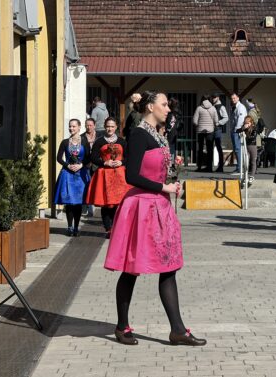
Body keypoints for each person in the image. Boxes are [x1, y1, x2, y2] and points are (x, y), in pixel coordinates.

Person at [104, 91, 206, 347]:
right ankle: (122, 326)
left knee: (169, 266)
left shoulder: (158, 135)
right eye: (164, 104)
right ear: (150, 107)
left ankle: (177, 330)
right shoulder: (139, 134)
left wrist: (170, 183)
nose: (168, 109)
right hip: (141, 207)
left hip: (159, 206)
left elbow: (156, 169)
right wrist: (164, 187)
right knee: (132, 269)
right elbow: (131, 176)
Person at [86, 117, 130, 238]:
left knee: (118, 203)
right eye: (108, 126)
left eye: (112, 126)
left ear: (116, 127)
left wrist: (121, 162)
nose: (109, 129)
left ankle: (116, 227)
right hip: (104, 175)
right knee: (106, 203)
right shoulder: (99, 142)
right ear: (105, 127)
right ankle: (108, 228)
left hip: (120, 175)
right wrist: (104, 162)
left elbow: (129, 157)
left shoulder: (122, 141)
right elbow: (93, 157)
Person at [54, 119, 90, 237]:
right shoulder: (65, 142)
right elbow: (59, 158)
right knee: (69, 202)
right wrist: (67, 165)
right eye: (70, 126)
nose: (71, 128)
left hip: (80, 175)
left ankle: (76, 228)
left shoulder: (84, 141)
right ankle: (69, 227)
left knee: (78, 203)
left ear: (79, 127)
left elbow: (88, 158)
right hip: (68, 174)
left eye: (74, 126)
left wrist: (81, 165)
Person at [81, 118, 103, 217]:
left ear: (94, 125)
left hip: (97, 165)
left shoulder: (100, 136)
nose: (89, 127)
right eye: (87, 125)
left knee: (95, 186)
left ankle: (94, 205)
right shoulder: (81, 137)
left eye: (90, 125)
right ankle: (86, 207)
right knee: (86, 185)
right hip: (85, 165)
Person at [193, 94, 218, 172]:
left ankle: (199, 167)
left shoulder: (199, 108)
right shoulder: (213, 108)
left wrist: (198, 125)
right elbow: (216, 121)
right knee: (209, 149)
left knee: (200, 149)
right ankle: (209, 167)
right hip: (210, 131)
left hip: (200, 131)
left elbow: (194, 121)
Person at [230, 93, 248, 174]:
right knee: (236, 150)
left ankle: (240, 169)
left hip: (237, 131)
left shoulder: (241, 107)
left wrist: (237, 130)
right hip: (234, 130)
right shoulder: (234, 107)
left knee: (238, 149)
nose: (233, 100)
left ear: (238, 98)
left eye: (234, 98)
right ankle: (238, 167)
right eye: (232, 98)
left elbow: (241, 119)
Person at [211, 93, 229, 173]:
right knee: (210, 147)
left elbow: (226, 118)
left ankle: (220, 166)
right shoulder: (212, 106)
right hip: (211, 129)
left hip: (217, 129)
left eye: (214, 97)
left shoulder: (221, 107)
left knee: (218, 147)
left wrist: (218, 123)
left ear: (218, 98)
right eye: (212, 97)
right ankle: (210, 166)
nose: (213, 98)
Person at [165, 97, 183, 166]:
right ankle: (173, 164)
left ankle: (170, 163)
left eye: (169, 101)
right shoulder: (178, 111)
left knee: (169, 147)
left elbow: (168, 122)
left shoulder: (170, 112)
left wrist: (167, 129)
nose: (168, 102)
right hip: (175, 131)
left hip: (170, 131)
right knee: (172, 147)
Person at [241, 116, 257, 185]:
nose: (247, 124)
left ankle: (252, 176)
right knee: (245, 162)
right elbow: (237, 131)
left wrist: (246, 136)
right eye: (245, 123)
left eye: (248, 123)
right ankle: (245, 177)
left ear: (251, 123)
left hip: (253, 146)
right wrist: (243, 128)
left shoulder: (254, 129)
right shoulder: (244, 128)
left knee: (253, 162)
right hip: (246, 147)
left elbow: (253, 136)